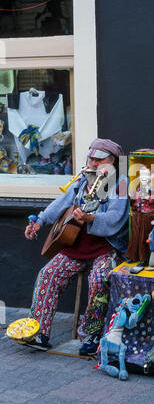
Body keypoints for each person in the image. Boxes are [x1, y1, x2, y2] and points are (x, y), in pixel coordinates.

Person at [24, 138, 129, 356]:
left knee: (100, 279)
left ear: (113, 161)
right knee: (48, 274)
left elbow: (116, 218)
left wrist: (91, 219)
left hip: (105, 248)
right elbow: (61, 203)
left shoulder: (120, 183)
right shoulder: (82, 180)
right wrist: (39, 221)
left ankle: (90, 334)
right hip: (75, 245)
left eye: (99, 160)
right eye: (91, 157)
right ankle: (39, 332)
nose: (93, 162)